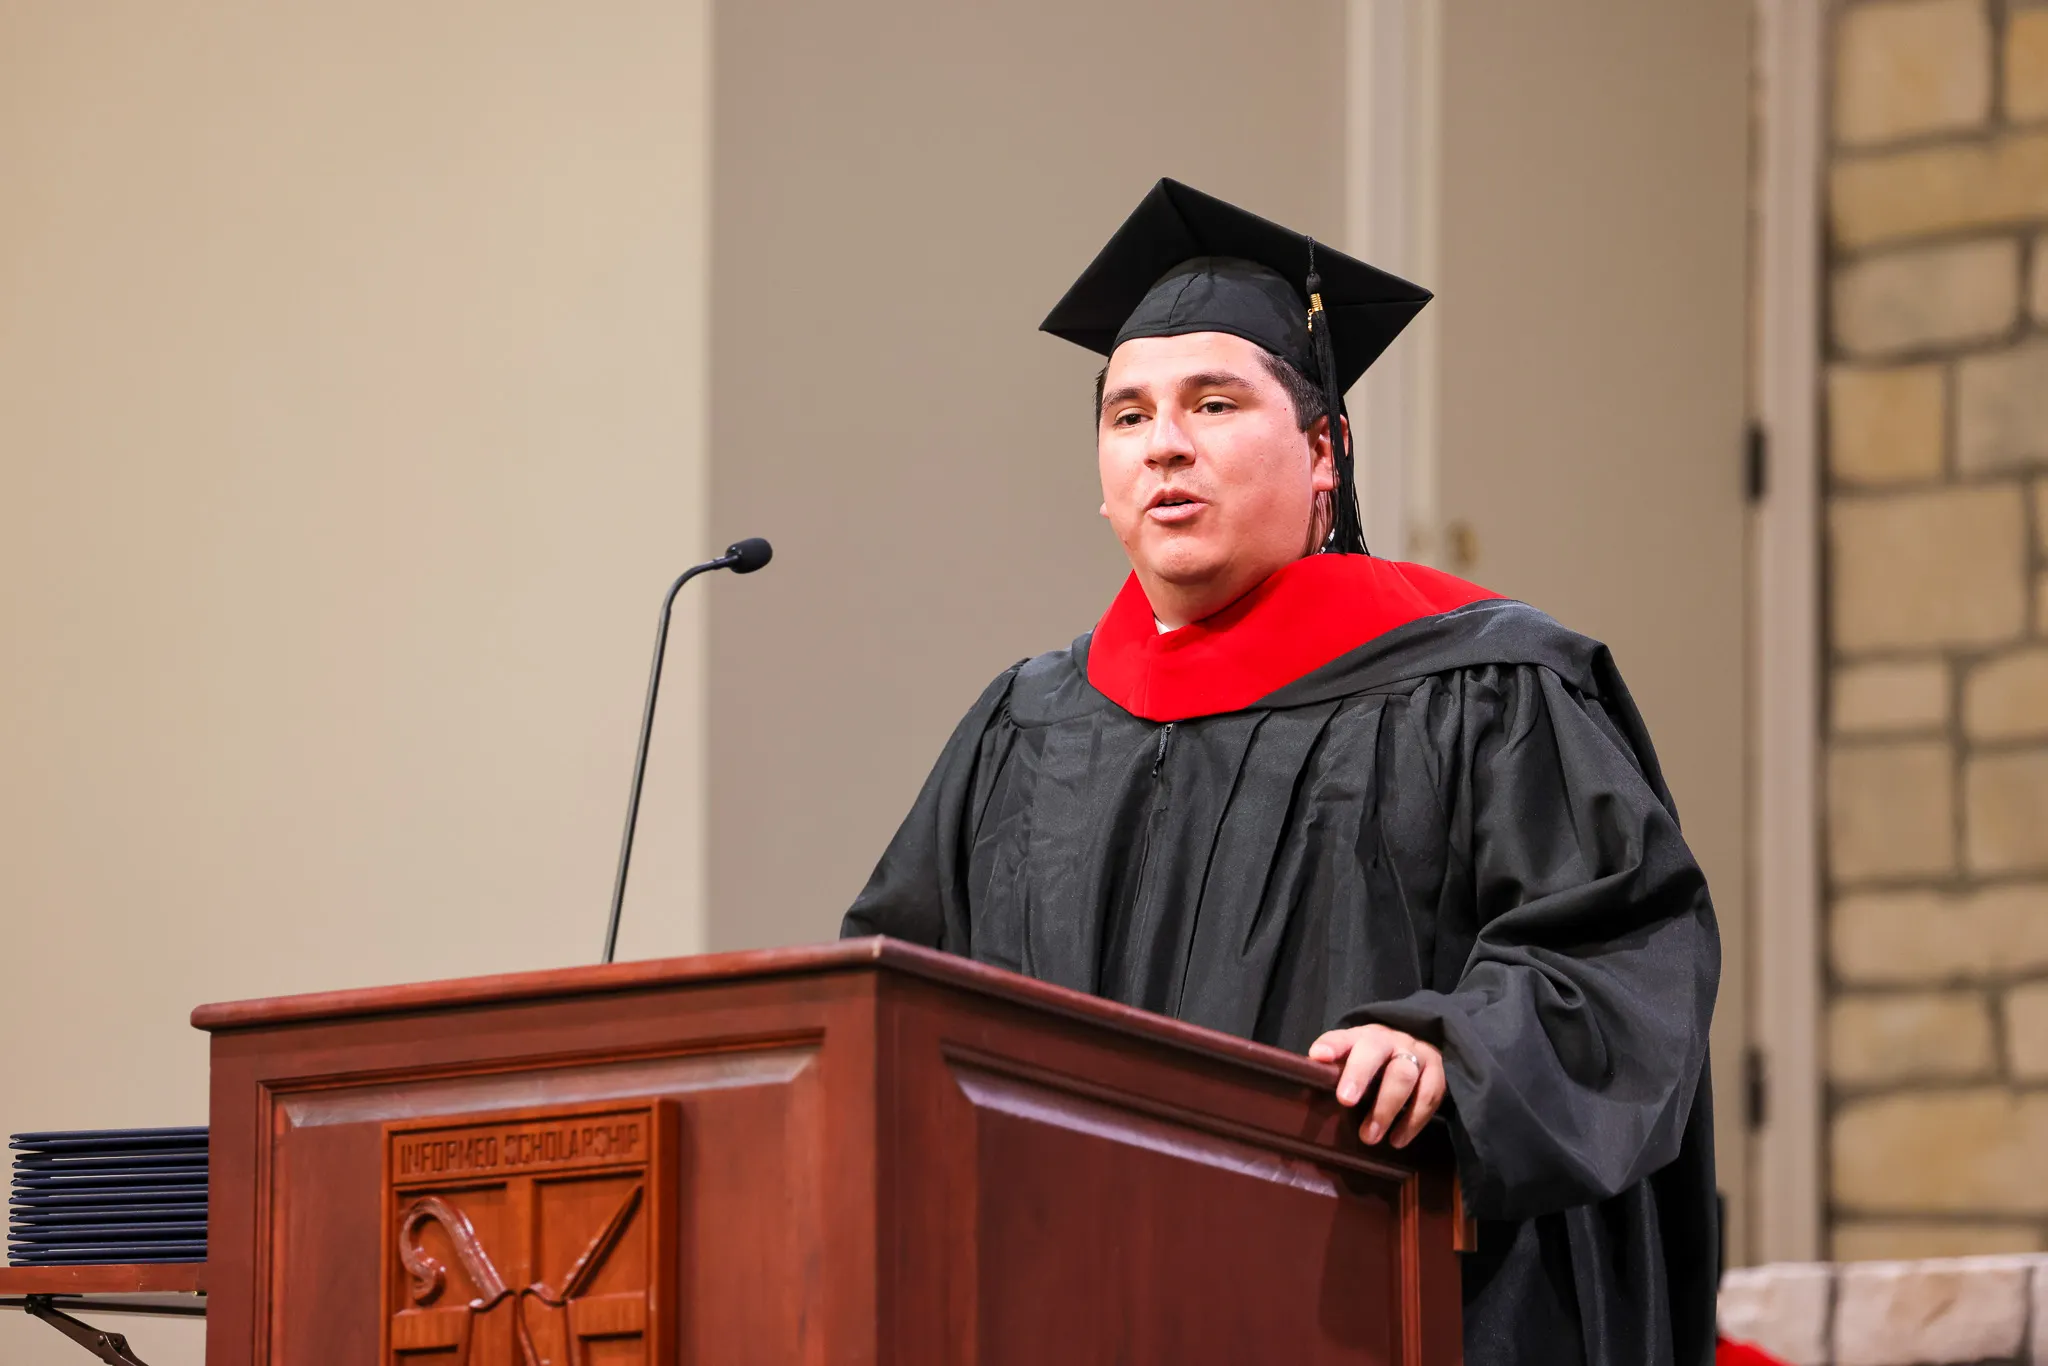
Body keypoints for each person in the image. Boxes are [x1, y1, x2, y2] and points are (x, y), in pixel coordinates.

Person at [841, 178, 1720, 1366]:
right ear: (1100, 482)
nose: (1164, 444)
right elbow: (897, 999)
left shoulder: (1485, 684)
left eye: (1212, 403)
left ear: (1322, 451)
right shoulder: (1026, 728)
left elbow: (1617, 957)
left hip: (1387, 1302)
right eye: (1127, 414)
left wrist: (1452, 1053)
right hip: (1075, 1306)